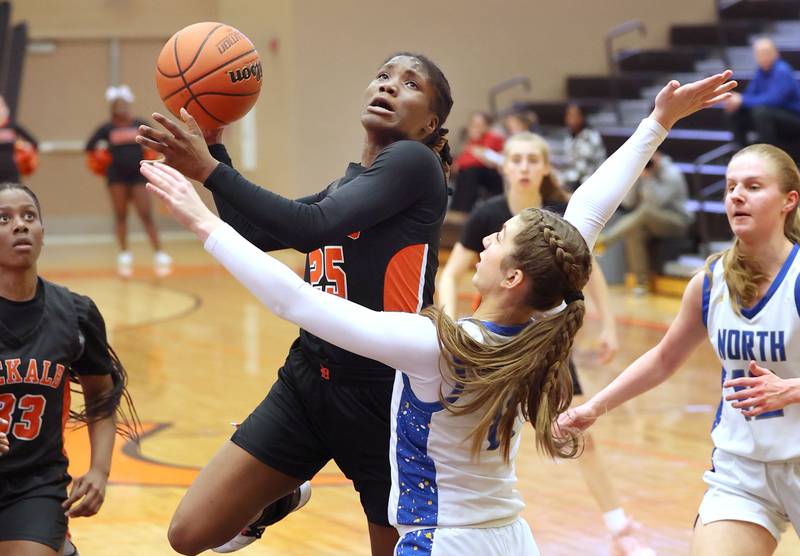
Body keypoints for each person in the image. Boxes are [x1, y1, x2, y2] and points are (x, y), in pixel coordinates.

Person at [142, 72, 735, 555]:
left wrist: (201, 215)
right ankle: (277, 494)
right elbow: (585, 215)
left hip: (438, 533)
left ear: (511, 275)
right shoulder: (536, 319)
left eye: (497, 237)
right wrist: (657, 124)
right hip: (509, 536)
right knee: (191, 533)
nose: (480, 242)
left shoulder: (434, 346)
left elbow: (294, 297)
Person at [136, 52, 453, 556]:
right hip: (310, 380)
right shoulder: (349, 183)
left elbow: (311, 226)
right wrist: (218, 150)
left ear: (430, 123)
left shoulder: (415, 164)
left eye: (410, 84)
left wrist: (211, 170)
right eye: (383, 75)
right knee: (189, 535)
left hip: (383, 397)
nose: (389, 85)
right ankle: (279, 498)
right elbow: (253, 233)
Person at [561, 141, 800, 555]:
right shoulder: (711, 281)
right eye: (730, 187)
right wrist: (593, 407)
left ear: (788, 201)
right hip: (741, 471)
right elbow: (664, 358)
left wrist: (792, 389)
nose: (737, 195)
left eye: (753, 186)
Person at [437, 131, 658, 555]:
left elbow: (589, 274)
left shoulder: (557, 218)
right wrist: (448, 323)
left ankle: (618, 525)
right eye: (514, 159)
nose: (522, 167)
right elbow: (450, 272)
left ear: (543, 167)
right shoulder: (488, 216)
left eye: (530, 160)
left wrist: (608, 324)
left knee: (573, 429)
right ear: (503, 166)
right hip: (493, 344)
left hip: (546, 340)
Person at [0, 182, 139, 556]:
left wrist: (99, 471)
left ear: (43, 232)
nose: (20, 225)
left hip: (34, 483)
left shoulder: (75, 314)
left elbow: (101, 394)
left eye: (29, 216)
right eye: (4, 218)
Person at [85, 85, 172, 278]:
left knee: (146, 213)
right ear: (112, 107)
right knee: (121, 214)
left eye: (124, 104)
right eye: (117, 104)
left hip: (138, 175)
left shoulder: (139, 124)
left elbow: (158, 140)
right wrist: (101, 153)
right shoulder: (106, 128)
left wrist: (155, 155)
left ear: (129, 104)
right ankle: (124, 253)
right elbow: (89, 145)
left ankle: (159, 252)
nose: (121, 107)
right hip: (116, 177)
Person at [597, 152, 694, 293]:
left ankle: (605, 240)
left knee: (645, 211)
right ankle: (642, 283)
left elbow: (655, 203)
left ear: (658, 156)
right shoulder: (643, 172)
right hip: (651, 221)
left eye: (650, 158)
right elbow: (628, 202)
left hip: (678, 221)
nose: (647, 162)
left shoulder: (672, 173)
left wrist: (648, 178)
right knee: (634, 231)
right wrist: (635, 177)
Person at [725, 37, 800, 150]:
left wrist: (742, 100)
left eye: (766, 53)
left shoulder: (782, 70)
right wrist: (737, 100)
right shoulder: (760, 72)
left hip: (793, 118)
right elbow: (749, 94)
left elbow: (773, 100)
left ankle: (768, 153)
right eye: (759, 54)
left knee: (761, 112)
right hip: (772, 117)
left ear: (776, 53)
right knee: (735, 110)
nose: (763, 57)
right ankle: (741, 151)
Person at [449, 111, 505, 213]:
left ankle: (461, 211)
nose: (475, 128)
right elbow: (464, 159)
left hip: (496, 176)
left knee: (470, 171)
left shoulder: (493, 137)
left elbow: (479, 161)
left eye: (479, 125)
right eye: (473, 125)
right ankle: (456, 211)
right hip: (477, 173)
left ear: (487, 126)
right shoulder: (474, 140)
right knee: (466, 173)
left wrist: (460, 164)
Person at [561, 102, 606, 191]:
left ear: (582, 117)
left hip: (591, 180)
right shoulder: (568, 138)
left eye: (574, 115)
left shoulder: (591, 136)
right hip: (574, 180)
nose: (570, 118)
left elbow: (587, 168)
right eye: (568, 115)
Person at [0, 95, 38, 183]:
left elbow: (34, 143)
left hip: (10, 169)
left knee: (12, 193)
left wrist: (22, 147)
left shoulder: (11, 126)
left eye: (1, 105)